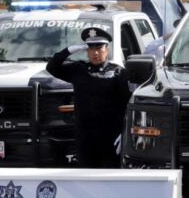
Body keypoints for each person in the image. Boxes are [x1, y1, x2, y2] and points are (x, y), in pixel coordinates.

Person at [46, 27, 131, 168]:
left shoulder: (119, 73)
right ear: (87, 51)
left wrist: (125, 133)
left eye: (99, 48)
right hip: (85, 136)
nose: (95, 53)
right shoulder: (79, 70)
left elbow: (127, 105)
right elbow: (52, 67)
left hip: (110, 136)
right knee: (86, 174)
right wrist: (69, 50)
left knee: (109, 174)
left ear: (107, 49)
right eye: (91, 49)